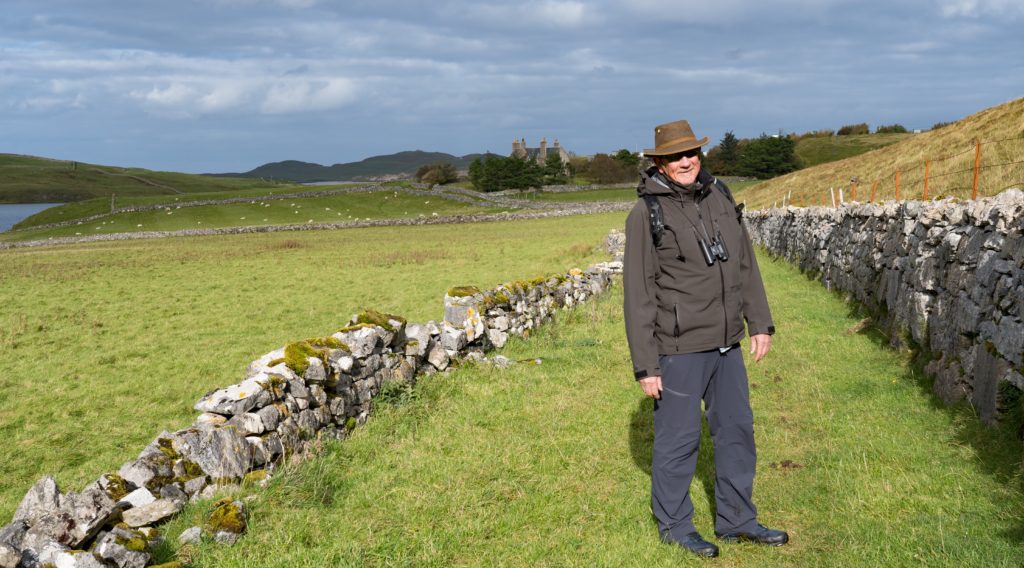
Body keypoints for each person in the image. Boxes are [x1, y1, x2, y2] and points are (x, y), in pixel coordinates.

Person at [623, 119, 788, 558]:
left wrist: (759, 321)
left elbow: (744, 263)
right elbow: (638, 293)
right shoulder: (645, 213)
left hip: (727, 343)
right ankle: (676, 526)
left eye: (691, 152)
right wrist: (646, 365)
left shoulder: (720, 195)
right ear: (660, 162)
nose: (685, 161)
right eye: (675, 156)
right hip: (678, 348)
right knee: (679, 441)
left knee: (736, 432)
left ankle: (738, 519)